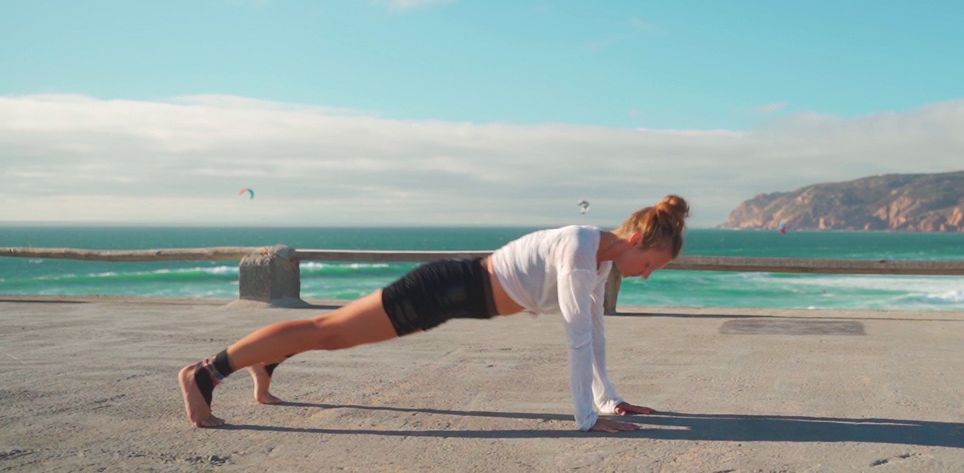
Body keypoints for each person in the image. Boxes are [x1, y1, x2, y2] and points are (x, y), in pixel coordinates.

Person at [179, 195, 689, 433]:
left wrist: (611, 401)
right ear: (639, 240)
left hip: (454, 296)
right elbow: (577, 336)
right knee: (329, 332)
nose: (645, 275)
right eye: (650, 264)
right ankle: (206, 373)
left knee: (331, 333)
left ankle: (266, 362)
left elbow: (594, 329)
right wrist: (585, 420)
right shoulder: (581, 249)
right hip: (442, 290)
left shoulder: (599, 258)